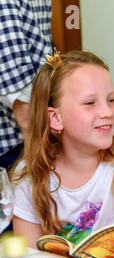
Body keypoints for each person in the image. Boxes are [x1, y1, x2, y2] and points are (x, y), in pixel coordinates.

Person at [10, 50, 114, 247]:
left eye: (111, 100)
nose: (107, 112)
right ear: (55, 118)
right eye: (90, 103)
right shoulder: (28, 174)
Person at [0, 0, 53, 233]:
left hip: (24, 138)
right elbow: (19, 97)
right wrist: (45, 150)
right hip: (15, 144)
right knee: (18, 254)